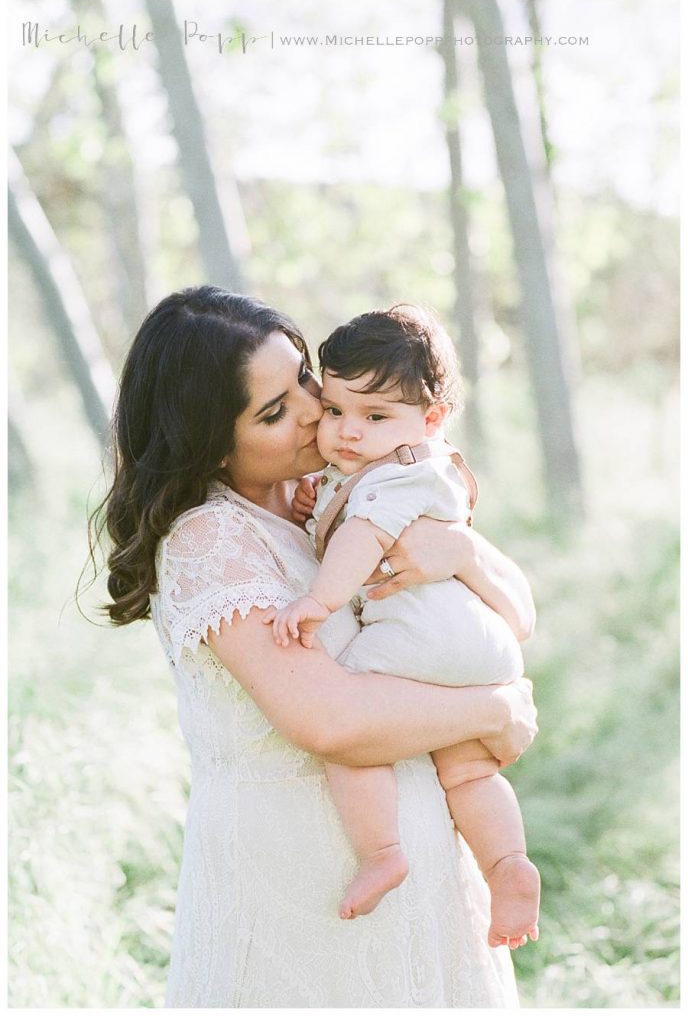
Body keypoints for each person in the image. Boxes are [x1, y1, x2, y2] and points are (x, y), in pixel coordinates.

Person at [94, 285, 538, 1007]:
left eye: (303, 379)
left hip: (429, 895)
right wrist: (494, 709)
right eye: (274, 412)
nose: (314, 413)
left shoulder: (340, 493)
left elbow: (517, 614)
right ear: (208, 438)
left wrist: (460, 551)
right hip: (299, 897)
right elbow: (329, 720)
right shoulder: (214, 537)